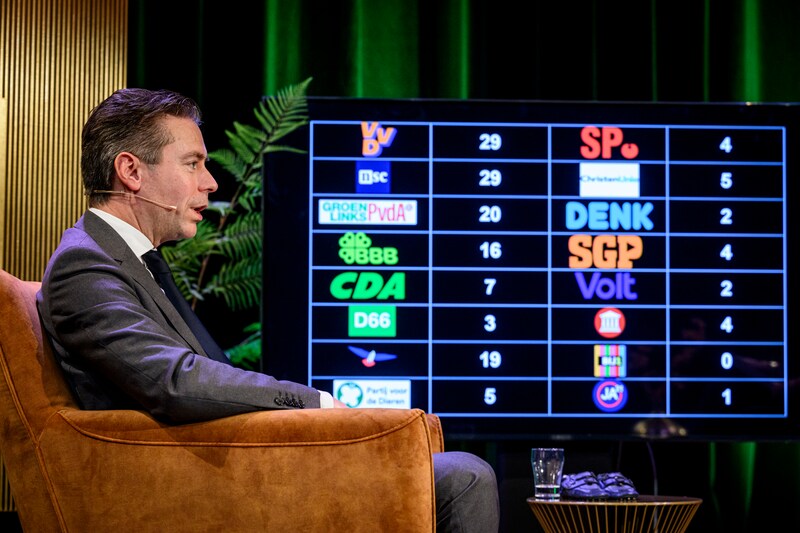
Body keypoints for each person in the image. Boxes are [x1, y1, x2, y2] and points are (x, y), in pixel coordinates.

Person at [36, 88, 499, 532]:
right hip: (193, 486)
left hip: (230, 464)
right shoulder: (85, 265)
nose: (210, 182)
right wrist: (315, 405)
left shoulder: (127, 258)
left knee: (456, 469)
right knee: (464, 476)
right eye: (193, 163)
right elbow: (172, 381)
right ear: (131, 171)